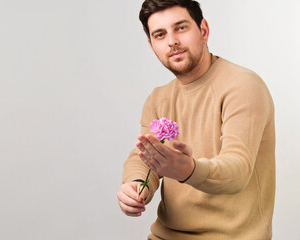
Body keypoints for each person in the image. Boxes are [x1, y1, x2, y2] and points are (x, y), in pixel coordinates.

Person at [116, 0, 275, 239]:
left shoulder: (243, 85)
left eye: (181, 28)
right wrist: (137, 185)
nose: (172, 41)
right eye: (160, 35)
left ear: (203, 30)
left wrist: (189, 170)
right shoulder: (158, 98)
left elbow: (238, 169)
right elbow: (143, 157)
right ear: (152, 46)